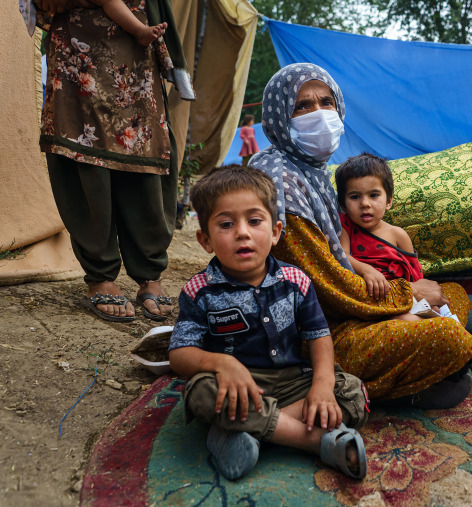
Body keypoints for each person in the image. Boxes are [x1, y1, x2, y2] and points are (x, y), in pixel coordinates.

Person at [249, 63, 472, 405]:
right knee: (446, 333)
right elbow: (327, 288)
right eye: (302, 106)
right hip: (314, 333)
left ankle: (421, 369)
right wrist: (407, 296)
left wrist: (407, 297)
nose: (318, 114)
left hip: (355, 305)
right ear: (279, 116)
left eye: (326, 102)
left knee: (452, 293)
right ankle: (393, 383)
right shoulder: (281, 184)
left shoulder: (311, 172)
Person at [169, 165, 369, 481]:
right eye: (226, 224)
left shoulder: (296, 281)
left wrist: (321, 384)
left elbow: (319, 336)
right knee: (200, 392)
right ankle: (317, 441)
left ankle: (244, 433)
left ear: (275, 232)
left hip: (293, 383)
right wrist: (223, 364)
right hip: (236, 388)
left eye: (254, 220)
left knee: (351, 391)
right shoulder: (199, 291)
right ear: (205, 240)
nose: (242, 233)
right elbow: (180, 354)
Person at [38, 0, 180, 322]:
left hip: (134, 46)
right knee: (84, 149)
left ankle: (149, 272)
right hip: (79, 43)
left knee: (144, 149)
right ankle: (100, 274)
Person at [334, 153, 472, 378]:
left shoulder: (398, 235)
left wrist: (427, 301)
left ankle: (457, 337)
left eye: (374, 195)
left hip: (407, 296)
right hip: (376, 305)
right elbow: (341, 256)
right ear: (343, 204)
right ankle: (464, 345)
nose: (365, 204)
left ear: (388, 200)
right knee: (409, 321)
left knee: (448, 300)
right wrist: (366, 269)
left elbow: (415, 277)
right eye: (354, 197)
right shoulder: (345, 227)